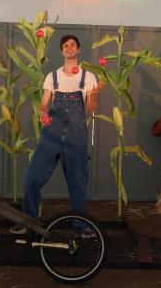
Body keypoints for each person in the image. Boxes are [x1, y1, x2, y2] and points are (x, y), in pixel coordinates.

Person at [11, 35, 104, 233]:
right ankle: (29, 221)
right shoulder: (52, 76)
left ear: (78, 50)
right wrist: (43, 113)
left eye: (72, 45)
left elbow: (89, 110)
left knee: (78, 184)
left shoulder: (88, 77)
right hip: (51, 133)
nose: (69, 47)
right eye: (65, 45)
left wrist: (94, 97)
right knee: (32, 178)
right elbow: (44, 103)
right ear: (62, 51)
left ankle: (80, 226)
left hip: (76, 135)